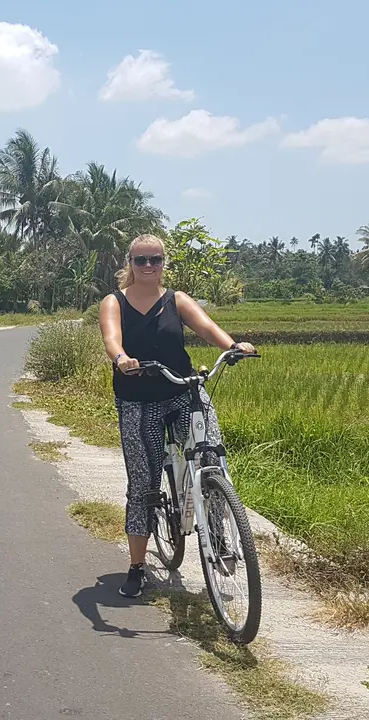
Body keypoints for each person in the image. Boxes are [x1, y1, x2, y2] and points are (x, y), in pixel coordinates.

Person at [98, 234, 256, 598]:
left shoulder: (177, 299)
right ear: (130, 264)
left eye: (155, 259)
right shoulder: (115, 301)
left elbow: (206, 327)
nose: (149, 266)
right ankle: (137, 567)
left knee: (210, 458)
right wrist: (122, 359)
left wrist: (232, 346)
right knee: (144, 483)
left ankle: (217, 532)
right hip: (138, 399)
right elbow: (112, 338)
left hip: (183, 391)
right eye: (141, 260)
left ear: (164, 262)